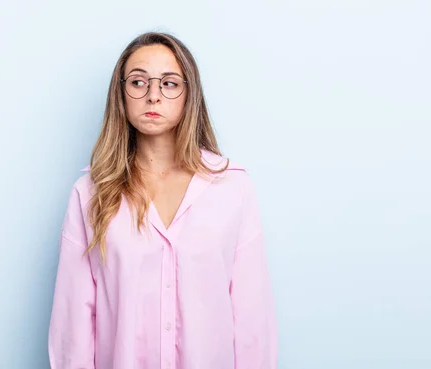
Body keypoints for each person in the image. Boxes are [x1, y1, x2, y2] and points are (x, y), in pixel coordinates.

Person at [48, 31, 277, 369]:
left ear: (189, 94)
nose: (153, 96)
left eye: (169, 84)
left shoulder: (233, 189)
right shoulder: (89, 194)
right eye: (139, 82)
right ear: (121, 95)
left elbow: (252, 320)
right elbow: (73, 327)